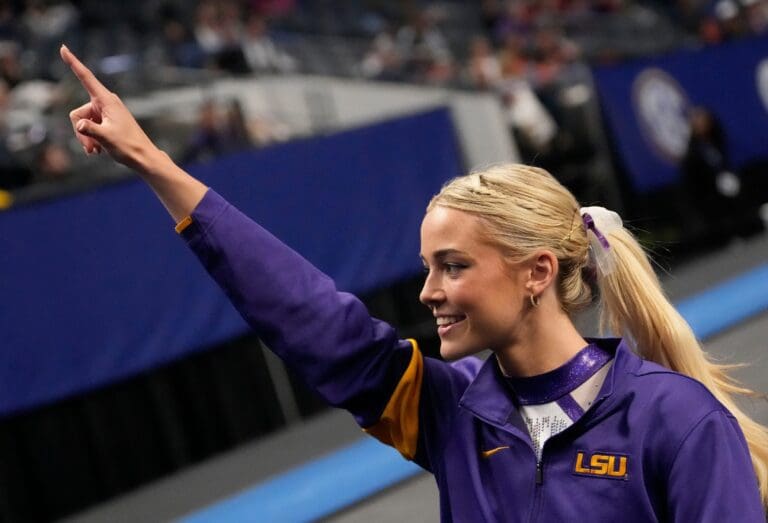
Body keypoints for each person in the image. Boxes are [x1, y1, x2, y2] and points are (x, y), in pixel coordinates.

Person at [59, 45, 767, 521]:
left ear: (536, 272)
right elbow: (311, 319)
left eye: (453, 265)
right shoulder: (449, 409)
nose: (428, 291)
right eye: (429, 265)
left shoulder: (679, 420)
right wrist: (155, 162)